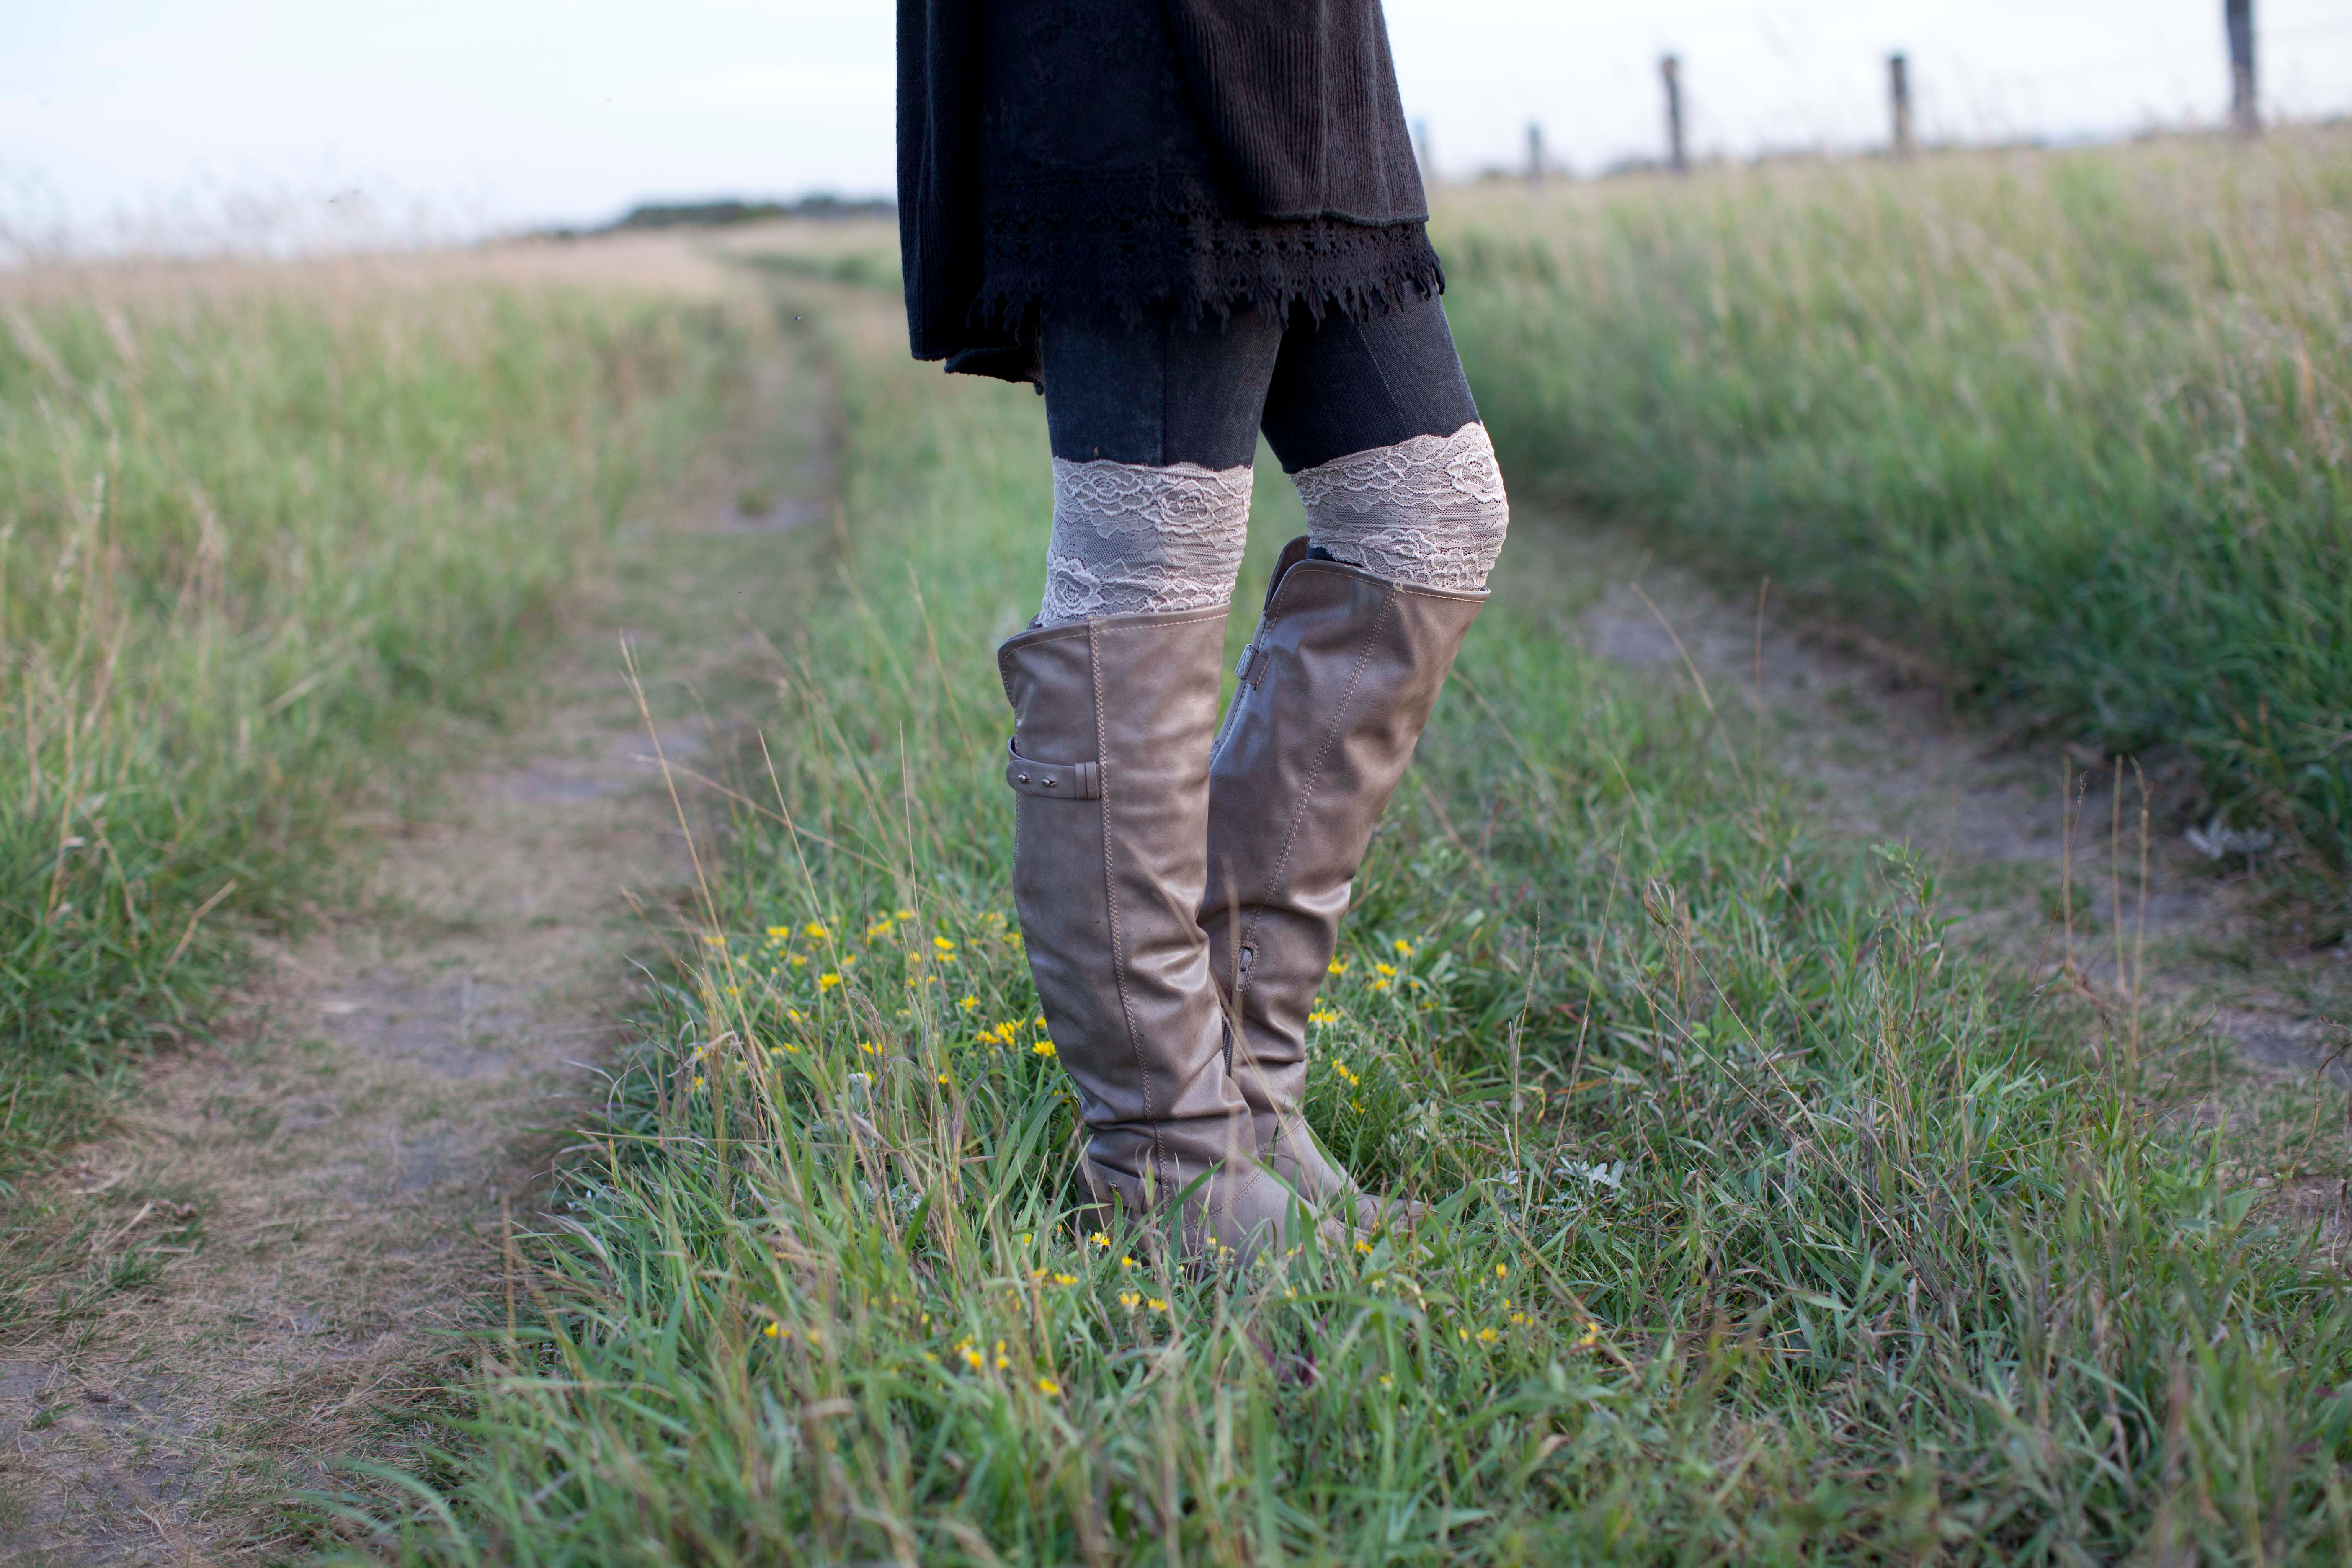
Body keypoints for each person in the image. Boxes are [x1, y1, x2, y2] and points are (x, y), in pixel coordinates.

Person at [897, 0, 1507, 1259]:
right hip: (1142, 62)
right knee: (1153, 553)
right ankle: (1166, 1156)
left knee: (1432, 513)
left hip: (1310, 65)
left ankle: (1243, 1093)